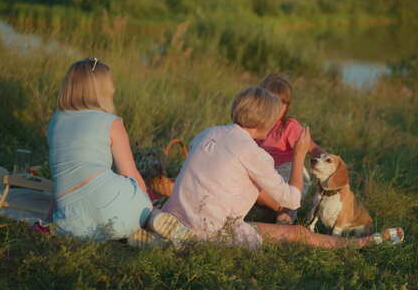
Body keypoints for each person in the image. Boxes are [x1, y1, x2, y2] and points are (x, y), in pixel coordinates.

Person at [145, 87, 403, 249]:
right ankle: (361, 243)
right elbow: (292, 199)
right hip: (213, 227)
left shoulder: (207, 132)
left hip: (177, 212)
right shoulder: (254, 153)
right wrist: (299, 154)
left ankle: (160, 236)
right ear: (268, 122)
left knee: (248, 189)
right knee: (298, 233)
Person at [48, 58, 153, 242]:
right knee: (139, 195)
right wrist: (147, 202)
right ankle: (149, 223)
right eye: (111, 84)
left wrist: (52, 215)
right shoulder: (111, 122)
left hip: (72, 222)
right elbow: (129, 173)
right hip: (113, 210)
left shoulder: (56, 121)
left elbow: (59, 173)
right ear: (102, 90)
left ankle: (131, 231)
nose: (114, 89)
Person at [255, 74, 326, 224]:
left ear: (287, 106)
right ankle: (267, 213)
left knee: (284, 193)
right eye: (271, 102)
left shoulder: (289, 126)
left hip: (289, 172)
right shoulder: (255, 124)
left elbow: (312, 147)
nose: (276, 108)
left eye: (282, 103)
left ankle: (287, 217)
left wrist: (327, 160)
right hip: (266, 171)